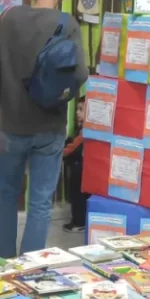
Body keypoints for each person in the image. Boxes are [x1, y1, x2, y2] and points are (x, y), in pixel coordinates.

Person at [0, 0, 88, 258]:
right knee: (40, 203)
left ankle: (3, 258)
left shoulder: (7, 18)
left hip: (11, 123)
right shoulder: (66, 23)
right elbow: (80, 73)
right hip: (49, 126)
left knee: (7, 196)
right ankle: (29, 264)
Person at [63, 96, 88, 233]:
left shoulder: (85, 131)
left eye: (81, 109)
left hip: (80, 168)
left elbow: (72, 148)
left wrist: (60, 152)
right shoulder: (83, 128)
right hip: (84, 167)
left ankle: (79, 222)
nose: (77, 112)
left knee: (77, 195)